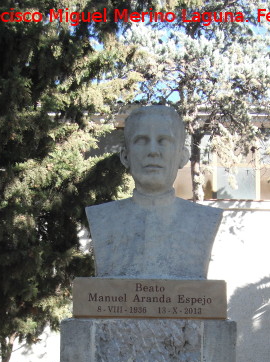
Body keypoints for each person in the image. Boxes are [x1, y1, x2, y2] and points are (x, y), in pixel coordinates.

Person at [86, 106, 222, 279]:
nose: (152, 151)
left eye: (164, 141)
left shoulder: (204, 219)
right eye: (142, 140)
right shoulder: (102, 217)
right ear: (125, 156)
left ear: (182, 156)